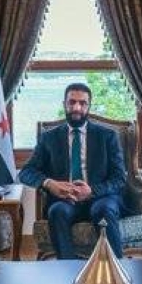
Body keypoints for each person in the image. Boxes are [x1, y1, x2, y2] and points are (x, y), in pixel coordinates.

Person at [19, 82, 128, 258]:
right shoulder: (49, 138)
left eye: (82, 103)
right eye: (72, 102)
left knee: (104, 210)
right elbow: (26, 172)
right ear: (64, 104)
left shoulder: (107, 136)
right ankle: (68, 268)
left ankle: (115, 268)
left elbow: (119, 178)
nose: (77, 108)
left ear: (89, 106)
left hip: (101, 198)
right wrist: (49, 183)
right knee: (57, 211)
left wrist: (92, 191)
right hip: (65, 200)